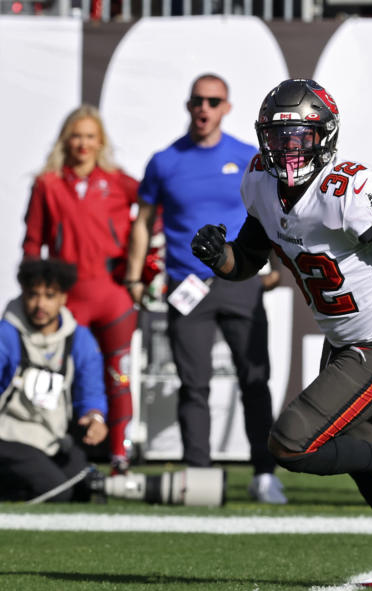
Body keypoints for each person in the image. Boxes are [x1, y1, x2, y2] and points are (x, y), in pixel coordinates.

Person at [190, 78, 372, 589]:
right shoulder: (260, 181)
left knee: (292, 444)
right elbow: (249, 259)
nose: (287, 149)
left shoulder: (347, 190)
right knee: (356, 451)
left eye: (299, 138)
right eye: (279, 137)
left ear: (324, 136)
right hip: (346, 339)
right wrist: (222, 257)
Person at [125, 73, 285, 504]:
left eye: (213, 101)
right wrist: (133, 274)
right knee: (192, 384)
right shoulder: (164, 161)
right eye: (198, 100)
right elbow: (141, 223)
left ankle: (264, 474)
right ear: (188, 105)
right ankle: (199, 473)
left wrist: (272, 264)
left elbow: (270, 214)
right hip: (186, 285)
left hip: (240, 280)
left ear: (226, 107)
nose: (204, 108)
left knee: (255, 380)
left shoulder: (248, 156)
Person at [22, 105, 139, 475]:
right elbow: (32, 242)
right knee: (61, 378)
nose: (83, 144)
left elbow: (154, 214)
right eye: (76, 135)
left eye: (90, 136)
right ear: (65, 139)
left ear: (100, 140)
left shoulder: (119, 181)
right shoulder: (48, 183)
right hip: (68, 302)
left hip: (113, 298)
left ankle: (119, 455)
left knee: (117, 377)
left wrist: (140, 265)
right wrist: (35, 292)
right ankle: (66, 454)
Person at [0, 259, 107, 502]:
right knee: (57, 492)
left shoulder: (79, 338)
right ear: (23, 295)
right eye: (33, 295)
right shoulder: (6, 334)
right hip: (8, 436)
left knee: (88, 490)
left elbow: (91, 390)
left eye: (49, 296)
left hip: (52, 439)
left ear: (63, 298)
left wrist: (95, 416)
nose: (40, 304)